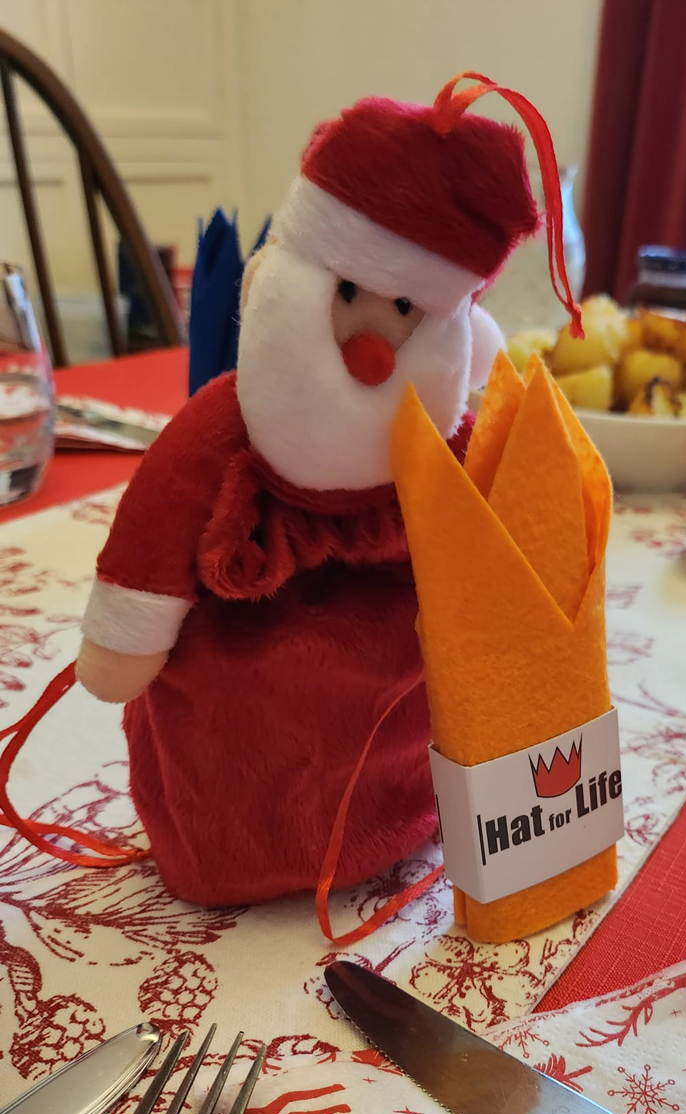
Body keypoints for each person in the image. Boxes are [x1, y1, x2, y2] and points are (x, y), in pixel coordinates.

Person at [71, 82, 574, 909]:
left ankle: (398, 824)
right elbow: (155, 528)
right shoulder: (223, 429)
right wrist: (126, 636)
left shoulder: (450, 446)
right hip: (233, 774)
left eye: (407, 311)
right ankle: (234, 857)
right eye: (350, 297)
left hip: (395, 763)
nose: (375, 349)